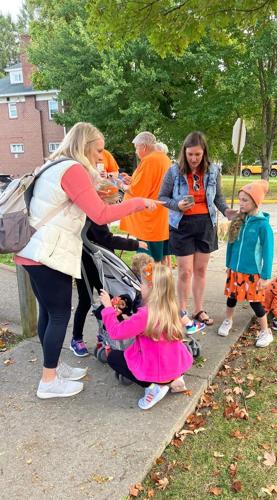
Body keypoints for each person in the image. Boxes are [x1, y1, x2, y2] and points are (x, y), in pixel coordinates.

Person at [15, 122, 159, 399]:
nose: (100, 157)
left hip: (35, 250)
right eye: (98, 150)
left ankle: (53, 368)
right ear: (84, 146)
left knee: (48, 312)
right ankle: (49, 381)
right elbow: (101, 215)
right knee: (58, 314)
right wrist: (139, 202)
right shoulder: (72, 169)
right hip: (49, 253)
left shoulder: (55, 166)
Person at [159, 131, 237, 329]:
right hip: (182, 225)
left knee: (201, 270)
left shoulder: (213, 171)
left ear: (204, 154)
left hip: (205, 224)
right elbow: (162, 198)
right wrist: (177, 205)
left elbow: (218, 197)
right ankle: (182, 311)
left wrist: (226, 210)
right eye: (190, 154)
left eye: (197, 155)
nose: (193, 159)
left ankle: (198, 309)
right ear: (184, 152)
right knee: (185, 271)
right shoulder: (174, 171)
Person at [99, 263, 193, 410]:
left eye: (142, 283)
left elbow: (116, 332)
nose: (140, 287)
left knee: (113, 358)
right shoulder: (172, 306)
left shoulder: (145, 314)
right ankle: (174, 379)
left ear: (150, 287)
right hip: (176, 364)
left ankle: (154, 387)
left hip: (156, 370)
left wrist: (108, 309)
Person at [70, 194, 148, 356]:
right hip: (86, 265)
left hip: (98, 265)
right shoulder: (94, 216)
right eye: (112, 203)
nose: (113, 206)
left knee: (109, 300)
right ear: (102, 198)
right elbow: (107, 240)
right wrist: (135, 244)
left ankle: (104, 334)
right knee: (86, 301)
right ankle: (77, 338)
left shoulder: (92, 214)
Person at [217, 181, 274, 348]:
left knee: (255, 303)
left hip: (252, 272)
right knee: (231, 298)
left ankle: (265, 332)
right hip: (235, 270)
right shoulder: (239, 220)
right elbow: (231, 244)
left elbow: (268, 252)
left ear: (256, 202)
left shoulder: (263, 226)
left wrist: (265, 275)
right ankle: (228, 321)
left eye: (245, 201)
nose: (241, 204)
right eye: (240, 199)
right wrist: (229, 264)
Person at [119, 132, 170, 262]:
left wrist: (122, 186)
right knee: (160, 261)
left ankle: (149, 283)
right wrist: (131, 180)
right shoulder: (164, 158)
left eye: (136, 148)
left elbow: (138, 191)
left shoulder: (149, 160)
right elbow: (151, 183)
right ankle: (160, 282)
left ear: (144, 147)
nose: (136, 151)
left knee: (147, 263)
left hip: (149, 220)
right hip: (160, 216)